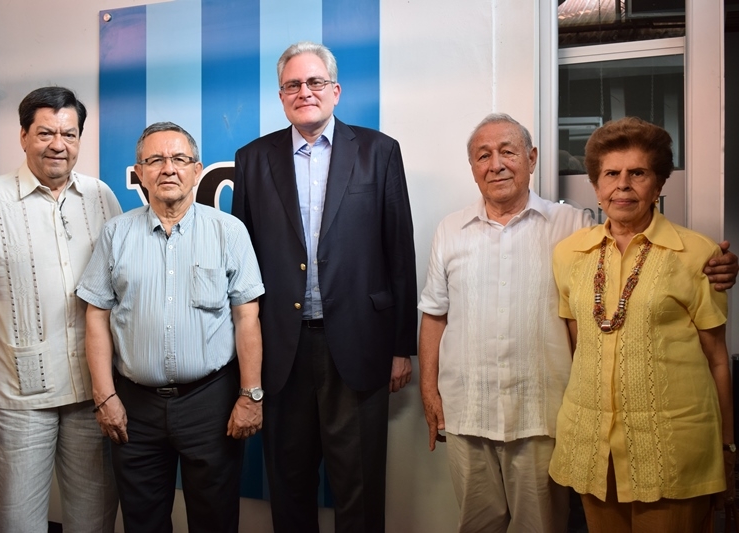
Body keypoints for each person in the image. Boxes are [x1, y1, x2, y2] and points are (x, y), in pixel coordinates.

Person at [417, 113, 738, 533]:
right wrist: (430, 391)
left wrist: (721, 265)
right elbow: (435, 313)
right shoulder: (458, 231)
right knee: (475, 525)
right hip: (479, 411)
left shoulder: (572, 227)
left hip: (546, 414)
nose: (496, 164)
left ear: (532, 158)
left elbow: (708, 350)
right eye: (483, 155)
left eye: (508, 151)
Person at [233, 41, 417, 532]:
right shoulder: (252, 159)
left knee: (360, 489)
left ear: (335, 90)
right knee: (288, 485)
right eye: (293, 84)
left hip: (359, 344)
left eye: (315, 82)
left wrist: (401, 346)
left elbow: (399, 253)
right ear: (281, 96)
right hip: (281, 349)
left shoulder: (379, 151)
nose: (305, 92)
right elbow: (243, 263)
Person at [0, 87, 121, 532]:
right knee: (17, 523)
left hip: (93, 396)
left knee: (94, 522)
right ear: (23, 136)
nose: (58, 144)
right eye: (45, 133)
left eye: (69, 134)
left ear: (79, 139)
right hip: (18, 400)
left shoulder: (101, 197)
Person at [77, 122, 265, 533]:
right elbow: (96, 316)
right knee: (143, 522)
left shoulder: (228, 232)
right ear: (139, 173)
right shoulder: (115, 234)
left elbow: (246, 317)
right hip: (134, 408)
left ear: (197, 171)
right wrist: (104, 396)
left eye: (179, 159)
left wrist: (251, 395)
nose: (168, 168)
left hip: (210, 404)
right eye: (155, 160)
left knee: (215, 521)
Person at [549, 117, 734, 532]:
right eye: (610, 174)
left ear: (659, 183)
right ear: (595, 186)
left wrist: (728, 446)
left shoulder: (697, 253)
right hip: (593, 446)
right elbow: (580, 349)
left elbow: (718, 359)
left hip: (673, 449)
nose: (623, 185)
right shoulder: (567, 255)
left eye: (638, 173)